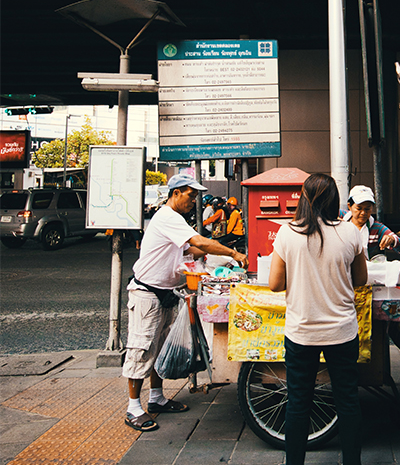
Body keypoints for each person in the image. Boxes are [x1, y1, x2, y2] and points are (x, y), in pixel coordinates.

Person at [123, 174, 248, 432]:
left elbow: (193, 250)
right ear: (176, 193)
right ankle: (133, 408)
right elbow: (198, 242)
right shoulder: (168, 217)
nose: (194, 201)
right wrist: (233, 253)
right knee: (142, 347)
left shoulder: (175, 220)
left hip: (166, 293)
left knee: (158, 348)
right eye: (191, 196)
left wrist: (222, 250)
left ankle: (156, 398)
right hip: (147, 294)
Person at [269, 173, 367, 465]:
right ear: (336, 200)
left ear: (304, 197)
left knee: (298, 403)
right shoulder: (349, 232)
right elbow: (360, 279)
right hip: (342, 332)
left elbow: (275, 283)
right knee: (347, 401)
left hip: (302, 333)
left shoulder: (288, 233)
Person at [339, 185, 400, 259]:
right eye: (359, 208)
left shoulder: (377, 228)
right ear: (349, 206)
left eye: (367, 209)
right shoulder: (340, 216)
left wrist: (392, 240)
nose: (363, 213)